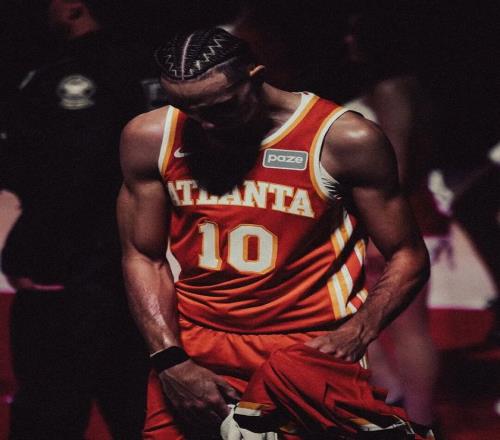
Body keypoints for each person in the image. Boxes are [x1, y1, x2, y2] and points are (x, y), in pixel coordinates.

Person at [118, 28, 433, 439]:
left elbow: (407, 253)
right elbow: (142, 255)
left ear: (256, 75)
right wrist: (169, 357)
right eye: (186, 108)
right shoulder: (151, 137)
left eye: (220, 107)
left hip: (304, 348)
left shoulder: (341, 139)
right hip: (194, 344)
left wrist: (360, 329)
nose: (205, 124)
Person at [1, 1, 149, 438]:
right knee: (132, 406)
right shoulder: (142, 67)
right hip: (129, 269)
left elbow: (74, 177)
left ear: (72, 8)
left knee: (51, 409)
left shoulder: (75, 76)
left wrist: (35, 256)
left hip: (76, 277)